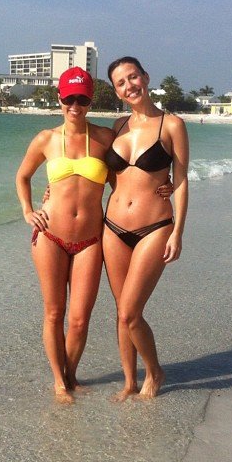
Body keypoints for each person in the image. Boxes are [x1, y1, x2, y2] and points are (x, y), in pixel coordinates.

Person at [15, 67, 172, 404]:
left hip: (90, 240)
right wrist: (28, 211)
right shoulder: (45, 139)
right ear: (59, 98)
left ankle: (72, 376)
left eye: (82, 99)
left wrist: (164, 182)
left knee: (79, 320)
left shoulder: (104, 138)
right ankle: (59, 383)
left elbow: (128, 173)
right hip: (50, 236)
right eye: (69, 98)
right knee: (53, 313)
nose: (75, 105)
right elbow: (22, 176)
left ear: (90, 102)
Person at [103, 56, 189, 401]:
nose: (129, 86)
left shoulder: (172, 125)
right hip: (112, 228)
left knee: (130, 312)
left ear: (146, 77)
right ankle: (129, 381)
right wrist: (53, 189)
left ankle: (155, 372)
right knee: (120, 311)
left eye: (133, 77)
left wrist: (178, 232)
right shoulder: (118, 125)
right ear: (117, 92)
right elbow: (100, 171)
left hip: (154, 228)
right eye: (121, 83)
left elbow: (181, 180)